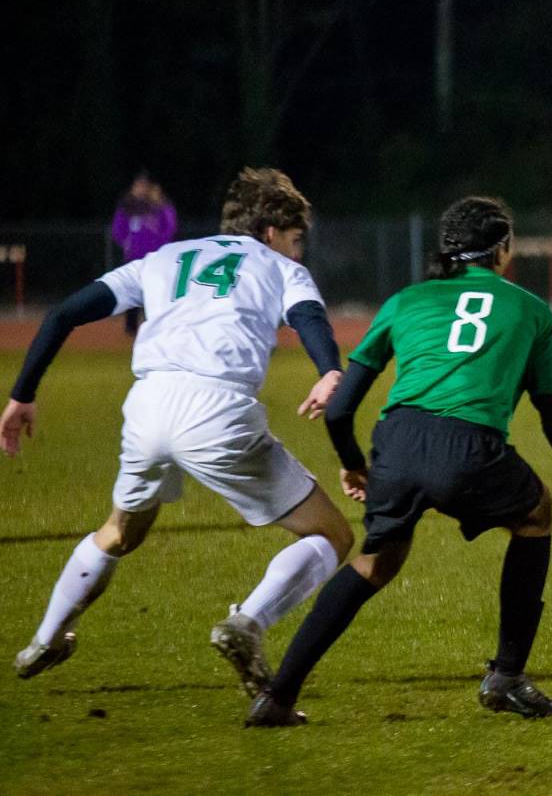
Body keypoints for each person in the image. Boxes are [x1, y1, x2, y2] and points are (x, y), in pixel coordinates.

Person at [244, 196, 552, 727]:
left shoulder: (405, 301)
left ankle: (277, 696)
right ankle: (507, 676)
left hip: (396, 443)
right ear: (503, 248)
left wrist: (353, 465)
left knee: (375, 562)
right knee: (537, 513)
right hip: (469, 447)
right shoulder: (532, 310)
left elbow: (340, 406)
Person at [4, 167, 354, 700]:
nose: (297, 251)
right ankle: (248, 624)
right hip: (218, 409)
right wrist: (329, 368)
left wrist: (22, 395)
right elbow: (309, 319)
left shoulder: (163, 258)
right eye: (295, 238)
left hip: (147, 406)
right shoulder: (279, 267)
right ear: (269, 232)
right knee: (332, 534)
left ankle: (43, 640)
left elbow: (63, 314)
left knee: (121, 532)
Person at [111, 172, 179, 336]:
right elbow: (117, 229)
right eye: (138, 186)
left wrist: (162, 245)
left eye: (143, 186)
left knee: (154, 290)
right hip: (133, 256)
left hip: (155, 257)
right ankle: (131, 327)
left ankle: (153, 323)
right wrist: (125, 242)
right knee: (131, 291)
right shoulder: (128, 206)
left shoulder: (159, 206)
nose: (140, 189)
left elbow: (170, 227)